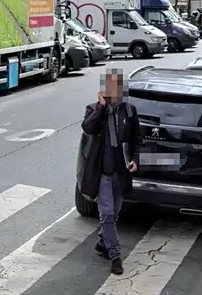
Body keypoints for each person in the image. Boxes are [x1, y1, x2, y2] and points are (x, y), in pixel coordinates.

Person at [80, 70, 141, 276]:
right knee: (106, 213)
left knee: (113, 214)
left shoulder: (129, 111)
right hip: (102, 173)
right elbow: (88, 128)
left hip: (121, 172)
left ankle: (102, 242)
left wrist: (135, 159)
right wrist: (101, 106)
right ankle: (115, 256)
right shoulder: (94, 109)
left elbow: (136, 139)